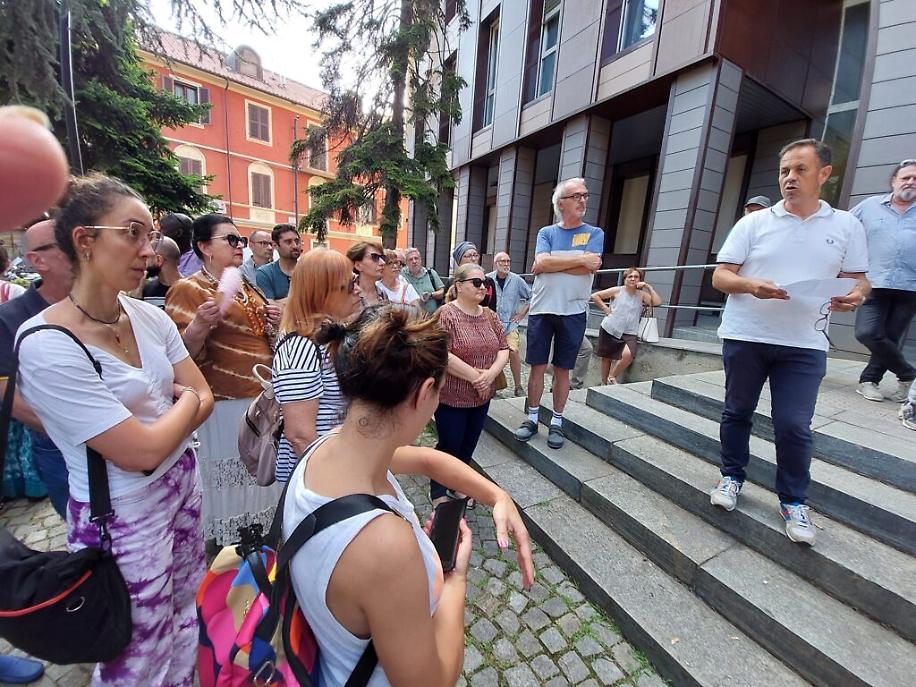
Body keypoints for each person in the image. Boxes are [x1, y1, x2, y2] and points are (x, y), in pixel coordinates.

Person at [16, 174, 214, 685]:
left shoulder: (149, 317)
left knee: (185, 614)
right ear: (85, 240)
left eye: (151, 235)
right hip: (122, 510)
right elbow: (139, 453)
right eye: (133, 233)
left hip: (183, 484)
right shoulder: (46, 342)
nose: (149, 251)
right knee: (137, 649)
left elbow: (205, 396)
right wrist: (187, 399)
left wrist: (187, 402)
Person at [284, 305, 534, 686]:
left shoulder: (327, 448)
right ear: (426, 392)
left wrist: (497, 495)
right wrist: (455, 582)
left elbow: (428, 460)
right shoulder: (385, 546)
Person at [710, 139, 869, 546]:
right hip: (747, 334)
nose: (790, 178)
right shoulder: (753, 223)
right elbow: (721, 276)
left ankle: (794, 500)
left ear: (824, 174)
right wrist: (751, 285)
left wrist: (855, 296)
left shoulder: (846, 226)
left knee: (794, 424)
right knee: (737, 411)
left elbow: (859, 280)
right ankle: (731, 476)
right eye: (784, 171)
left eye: (800, 170)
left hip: (805, 341)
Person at [165, 213, 282, 545]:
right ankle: (233, 540)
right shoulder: (188, 289)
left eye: (240, 240)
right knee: (232, 470)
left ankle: (258, 532)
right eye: (230, 240)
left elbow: (259, 336)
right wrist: (200, 325)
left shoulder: (246, 285)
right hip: (223, 401)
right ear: (204, 247)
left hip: (259, 395)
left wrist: (272, 322)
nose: (239, 246)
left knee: (257, 468)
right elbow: (177, 356)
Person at [515, 178, 604, 450]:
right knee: (537, 367)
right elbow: (542, 262)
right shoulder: (547, 233)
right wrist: (579, 259)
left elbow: (588, 267)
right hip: (542, 309)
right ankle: (532, 418)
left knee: (563, 369)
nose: (583, 200)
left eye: (585, 195)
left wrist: (553, 264)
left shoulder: (594, 233)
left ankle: (556, 422)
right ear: (561, 203)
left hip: (573, 311)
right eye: (576, 196)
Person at [0, 219, 73, 516]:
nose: (83, 250)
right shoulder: (10, 317)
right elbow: (7, 394)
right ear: (38, 260)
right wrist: (78, 431)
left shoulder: (103, 305)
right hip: (59, 447)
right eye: (69, 244)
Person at [272, 249, 361, 482]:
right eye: (350, 284)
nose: (358, 289)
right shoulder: (300, 347)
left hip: (337, 461)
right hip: (317, 476)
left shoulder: (322, 337)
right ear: (323, 292)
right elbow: (300, 436)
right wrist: (333, 480)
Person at [432, 263, 509, 506]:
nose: (483, 287)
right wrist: (477, 378)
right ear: (459, 285)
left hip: (482, 397)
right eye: (476, 282)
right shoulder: (446, 314)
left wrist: (491, 375)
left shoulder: (489, 315)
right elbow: (441, 353)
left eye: (485, 282)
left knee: (468, 444)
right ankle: (438, 491)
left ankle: (459, 484)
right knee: (449, 445)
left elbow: (504, 347)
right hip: (452, 397)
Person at [851, 159, 916, 403]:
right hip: (873, 282)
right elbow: (844, 229)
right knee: (867, 333)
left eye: (915, 179)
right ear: (894, 181)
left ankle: (869, 381)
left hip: (910, 286)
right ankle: (908, 374)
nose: (910, 182)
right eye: (906, 177)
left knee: (890, 338)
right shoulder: (870, 206)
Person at [591, 267, 662, 385]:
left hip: (630, 331)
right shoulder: (617, 290)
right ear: (625, 279)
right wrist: (605, 308)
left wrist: (648, 287)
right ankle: (604, 383)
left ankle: (612, 376)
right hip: (611, 328)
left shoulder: (642, 295)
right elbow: (595, 296)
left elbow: (657, 302)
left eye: (636, 277)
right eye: (630, 277)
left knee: (629, 354)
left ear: (640, 280)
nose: (633, 279)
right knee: (607, 357)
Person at [487, 252, 530, 396]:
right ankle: (492, 385)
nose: (506, 264)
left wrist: (521, 314)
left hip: (509, 325)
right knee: (490, 354)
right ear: (495, 263)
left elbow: (531, 297)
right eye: (503, 261)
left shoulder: (516, 280)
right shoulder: (487, 279)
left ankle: (518, 387)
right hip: (491, 325)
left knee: (514, 351)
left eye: (508, 261)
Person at [446, 241, 497, 311]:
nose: (473, 259)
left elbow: (492, 309)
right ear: (459, 261)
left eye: (475, 255)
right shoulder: (452, 281)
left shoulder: (488, 281)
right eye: (469, 256)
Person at [256, 223, 301, 300]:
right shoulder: (265, 273)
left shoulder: (310, 270)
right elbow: (269, 305)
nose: (295, 246)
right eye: (288, 242)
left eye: (297, 241)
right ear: (275, 245)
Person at [401, 246, 445, 315]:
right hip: (412, 317)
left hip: (432, 317)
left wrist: (430, 295)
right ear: (406, 263)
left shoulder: (431, 273)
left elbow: (442, 292)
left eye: (416, 258)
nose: (414, 261)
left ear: (420, 260)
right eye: (410, 259)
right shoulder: (402, 275)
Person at [347, 240, 389, 309]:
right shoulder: (347, 294)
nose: (382, 262)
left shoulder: (382, 295)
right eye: (375, 257)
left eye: (382, 257)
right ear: (358, 265)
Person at [142, 235, 181, 306]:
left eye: (146, 257)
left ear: (158, 260)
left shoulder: (191, 289)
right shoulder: (145, 289)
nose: (143, 263)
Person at [159, 212, 201, 277]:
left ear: (178, 233)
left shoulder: (199, 260)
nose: (159, 232)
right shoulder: (160, 253)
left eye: (162, 229)